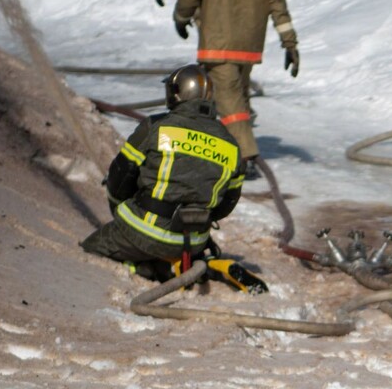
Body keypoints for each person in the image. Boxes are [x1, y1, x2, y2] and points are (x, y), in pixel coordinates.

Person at [80, 64, 266, 293]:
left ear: (178, 93)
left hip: (142, 231)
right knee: (168, 251)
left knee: (88, 252)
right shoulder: (231, 143)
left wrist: (123, 211)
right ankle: (185, 268)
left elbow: (121, 177)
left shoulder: (156, 127)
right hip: (193, 240)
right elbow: (227, 203)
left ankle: (144, 267)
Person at [157, 0, 300, 176]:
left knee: (230, 103)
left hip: (217, 46)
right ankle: (230, 147)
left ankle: (245, 156)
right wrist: (290, 45)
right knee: (240, 98)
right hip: (248, 48)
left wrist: (181, 17)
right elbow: (277, 5)